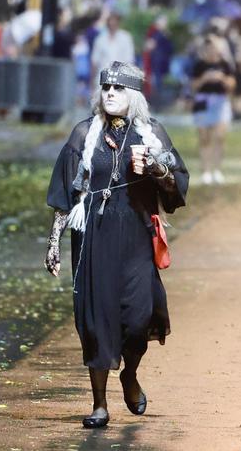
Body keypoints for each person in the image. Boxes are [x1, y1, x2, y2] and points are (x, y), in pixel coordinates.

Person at [44, 61, 189, 428]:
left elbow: (175, 191)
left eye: (119, 88)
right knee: (97, 319)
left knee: (139, 318)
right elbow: (66, 194)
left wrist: (158, 170)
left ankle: (130, 375)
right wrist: (53, 243)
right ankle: (99, 405)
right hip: (94, 237)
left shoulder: (152, 134)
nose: (110, 93)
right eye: (106, 87)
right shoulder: (83, 134)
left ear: (134, 96)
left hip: (137, 237)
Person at [190, 36, 235, 184]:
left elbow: (232, 85)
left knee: (219, 137)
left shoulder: (225, 65)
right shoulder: (199, 65)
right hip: (203, 101)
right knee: (204, 137)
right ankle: (206, 171)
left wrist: (221, 78)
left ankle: (217, 170)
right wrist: (205, 78)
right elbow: (193, 86)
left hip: (220, 101)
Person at [90, 14, 135, 83]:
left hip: (121, 79)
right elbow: (95, 61)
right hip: (103, 79)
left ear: (118, 23)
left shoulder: (126, 38)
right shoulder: (100, 39)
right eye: (110, 22)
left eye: (114, 22)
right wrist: (92, 80)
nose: (112, 24)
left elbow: (130, 59)